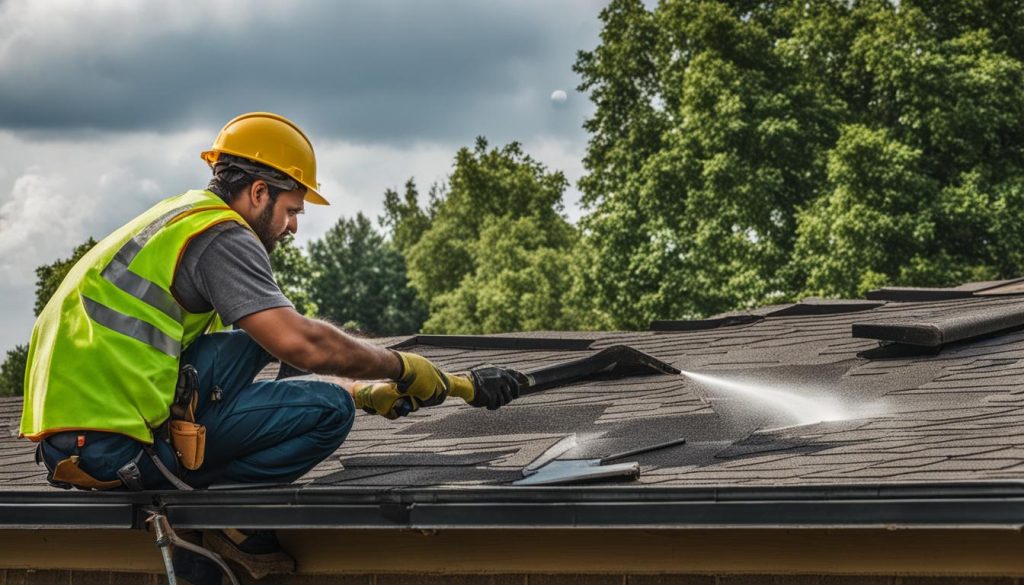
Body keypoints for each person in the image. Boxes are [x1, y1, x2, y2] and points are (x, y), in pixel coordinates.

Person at [18, 112, 519, 581]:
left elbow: (280, 341)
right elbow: (305, 344)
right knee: (327, 408)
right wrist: (399, 366)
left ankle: (216, 502)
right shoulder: (223, 237)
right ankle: (226, 513)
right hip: (112, 448)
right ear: (259, 192)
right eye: (291, 209)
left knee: (257, 344)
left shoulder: (180, 217)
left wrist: (367, 390)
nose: (295, 226)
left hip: (79, 436)